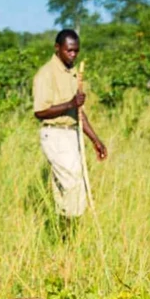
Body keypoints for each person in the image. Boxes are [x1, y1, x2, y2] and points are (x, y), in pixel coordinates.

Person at [33, 29, 107, 228]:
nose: (73, 55)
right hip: (54, 134)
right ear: (57, 48)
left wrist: (96, 140)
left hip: (71, 134)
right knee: (73, 185)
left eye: (76, 51)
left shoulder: (73, 73)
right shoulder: (46, 73)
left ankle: (61, 234)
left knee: (65, 188)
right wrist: (69, 104)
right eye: (69, 51)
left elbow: (78, 113)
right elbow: (40, 111)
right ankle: (69, 229)